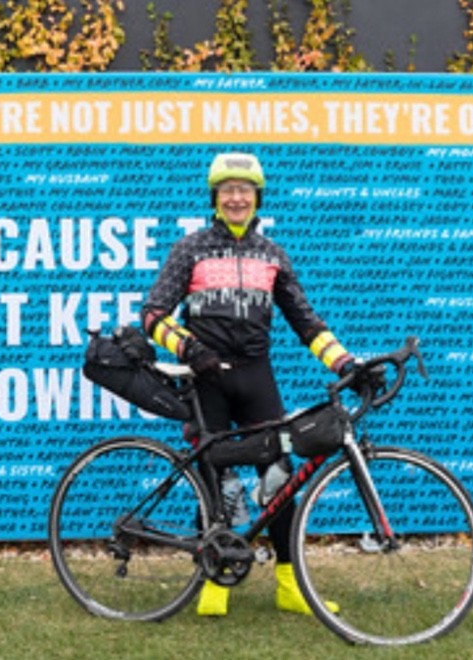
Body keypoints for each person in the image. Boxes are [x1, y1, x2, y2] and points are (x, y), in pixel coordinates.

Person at [141, 152, 352, 617]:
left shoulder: (272, 255)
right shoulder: (190, 249)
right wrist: (190, 349)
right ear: (214, 198)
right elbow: (152, 315)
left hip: (256, 376)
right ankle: (213, 582)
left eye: (244, 190)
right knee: (214, 482)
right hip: (207, 380)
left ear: (258, 198)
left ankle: (290, 585)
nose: (236, 198)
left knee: (279, 480)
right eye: (227, 190)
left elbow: (306, 322)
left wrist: (344, 364)